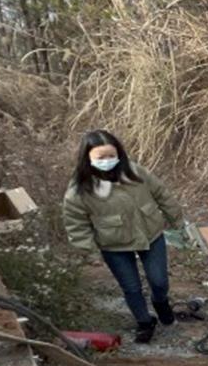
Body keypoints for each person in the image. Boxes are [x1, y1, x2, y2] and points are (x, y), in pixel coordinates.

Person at [63, 130, 183, 344]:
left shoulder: (135, 173)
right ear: (88, 159)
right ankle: (144, 322)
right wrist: (88, 249)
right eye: (100, 157)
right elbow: (76, 222)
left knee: (159, 281)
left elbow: (162, 194)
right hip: (114, 244)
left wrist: (176, 220)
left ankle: (161, 302)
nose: (107, 161)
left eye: (111, 155)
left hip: (150, 234)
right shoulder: (80, 190)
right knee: (131, 287)